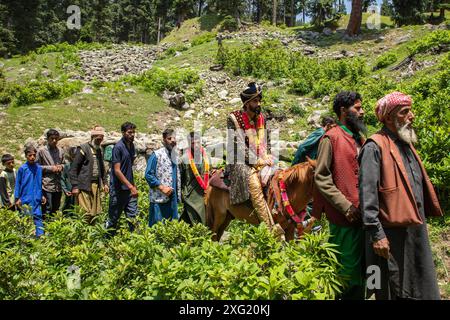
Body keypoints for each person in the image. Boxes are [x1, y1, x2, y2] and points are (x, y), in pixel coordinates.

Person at [359, 91, 443, 300]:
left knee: (418, 285)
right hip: (387, 236)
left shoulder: (405, 143)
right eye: (405, 112)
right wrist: (376, 235)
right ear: (388, 117)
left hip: (413, 230)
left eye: (410, 111)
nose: (412, 116)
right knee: (385, 286)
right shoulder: (373, 146)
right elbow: (367, 196)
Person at [312, 91, 367, 300]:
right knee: (346, 273)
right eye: (357, 108)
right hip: (345, 219)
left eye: (362, 107)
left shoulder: (361, 139)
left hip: (365, 218)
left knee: (367, 270)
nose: (362, 112)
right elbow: (322, 177)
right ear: (344, 111)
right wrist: (345, 206)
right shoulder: (331, 138)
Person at [225, 82, 284, 239]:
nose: (258, 104)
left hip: (262, 158)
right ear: (246, 103)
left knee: (282, 175)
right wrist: (258, 161)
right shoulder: (234, 119)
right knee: (254, 183)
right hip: (239, 161)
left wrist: (269, 156)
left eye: (259, 100)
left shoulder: (261, 118)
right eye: (254, 101)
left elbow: (268, 140)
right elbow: (237, 147)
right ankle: (270, 229)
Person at [70, 125, 109, 224]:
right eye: (98, 139)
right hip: (84, 185)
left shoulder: (99, 150)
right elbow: (74, 168)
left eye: (101, 139)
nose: (99, 141)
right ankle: (82, 234)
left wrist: (105, 183)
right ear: (92, 138)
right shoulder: (83, 149)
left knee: (95, 213)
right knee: (85, 213)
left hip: (95, 185)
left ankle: (91, 234)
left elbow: (102, 168)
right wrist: (75, 186)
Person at [105, 122, 138, 236]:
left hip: (129, 188)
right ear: (123, 133)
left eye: (133, 132)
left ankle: (134, 242)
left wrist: (132, 184)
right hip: (118, 189)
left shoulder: (132, 146)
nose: (132, 135)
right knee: (114, 218)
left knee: (132, 217)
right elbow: (117, 170)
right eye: (129, 132)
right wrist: (130, 185)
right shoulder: (118, 147)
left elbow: (129, 165)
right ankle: (106, 241)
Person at [146, 129, 181, 227]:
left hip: (172, 198)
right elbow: (148, 175)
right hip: (159, 197)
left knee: (171, 227)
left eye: (174, 138)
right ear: (164, 140)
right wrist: (162, 187)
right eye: (169, 138)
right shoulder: (157, 155)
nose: (173, 140)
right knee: (157, 226)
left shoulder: (175, 156)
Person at [14, 146, 46, 237]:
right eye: (30, 155)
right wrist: (17, 198)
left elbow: (39, 183)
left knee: (38, 216)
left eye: (34, 155)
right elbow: (18, 184)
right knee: (25, 217)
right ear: (26, 156)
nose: (32, 157)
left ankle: (40, 237)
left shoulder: (38, 168)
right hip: (25, 197)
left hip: (36, 197)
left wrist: (42, 195)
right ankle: (25, 237)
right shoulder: (22, 169)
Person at [180, 132, 211, 225]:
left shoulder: (206, 156)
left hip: (204, 192)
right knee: (194, 218)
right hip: (191, 194)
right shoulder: (184, 159)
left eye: (198, 142)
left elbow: (210, 172)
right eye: (193, 143)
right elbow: (181, 178)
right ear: (189, 144)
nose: (196, 145)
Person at [37, 129, 65, 216]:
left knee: (56, 209)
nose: (54, 141)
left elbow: (64, 164)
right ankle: (44, 228)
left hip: (58, 185)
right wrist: (50, 168)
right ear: (48, 139)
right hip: (46, 185)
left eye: (56, 139)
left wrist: (61, 167)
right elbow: (36, 167)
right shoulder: (41, 151)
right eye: (52, 138)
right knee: (47, 209)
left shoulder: (61, 151)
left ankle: (53, 228)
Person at [61, 147, 77, 216]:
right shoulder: (67, 166)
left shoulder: (82, 167)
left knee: (76, 208)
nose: (75, 159)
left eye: (76, 157)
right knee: (67, 207)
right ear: (70, 156)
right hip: (69, 191)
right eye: (73, 156)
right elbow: (62, 178)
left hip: (78, 193)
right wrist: (65, 190)